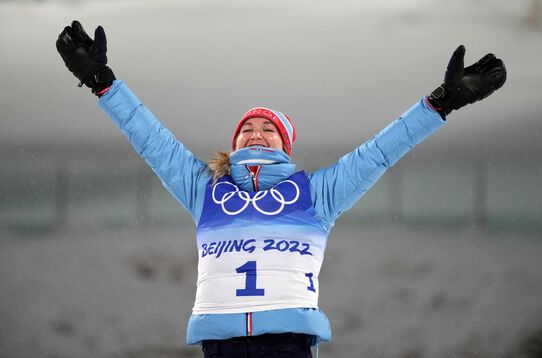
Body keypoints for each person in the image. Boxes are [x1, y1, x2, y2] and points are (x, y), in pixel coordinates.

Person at [56, 20, 506, 358]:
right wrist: (102, 82)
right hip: (220, 342)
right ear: (233, 144)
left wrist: (443, 102)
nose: (255, 134)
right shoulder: (205, 189)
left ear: (285, 145)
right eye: (246, 129)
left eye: (267, 129)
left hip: (288, 342)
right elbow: (151, 139)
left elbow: (380, 151)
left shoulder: (316, 193)